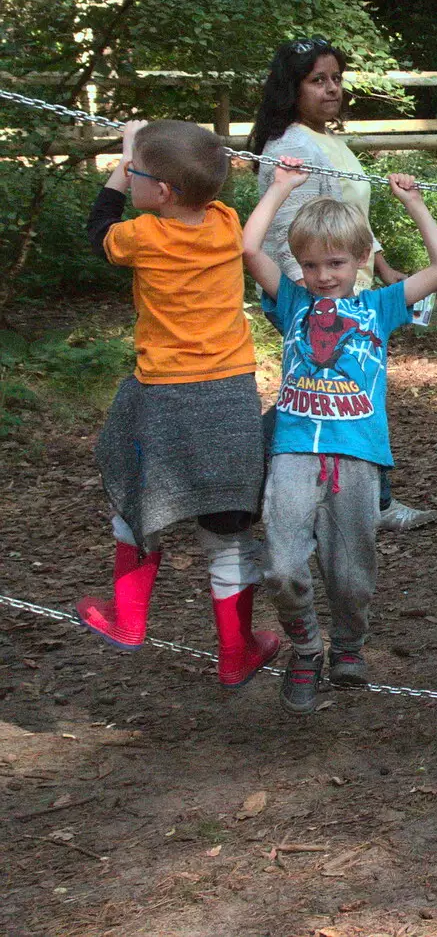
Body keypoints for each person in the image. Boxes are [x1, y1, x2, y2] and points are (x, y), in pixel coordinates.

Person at [242, 158, 437, 713]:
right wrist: (283, 187)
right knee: (282, 567)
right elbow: (247, 250)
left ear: (361, 260)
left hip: (359, 457)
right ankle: (307, 649)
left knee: (352, 575)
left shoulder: (378, 307)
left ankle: (349, 646)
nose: (322, 276)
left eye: (335, 263)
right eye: (310, 265)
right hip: (292, 451)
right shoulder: (292, 303)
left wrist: (413, 202)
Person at [78, 120, 279, 688]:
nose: (129, 175)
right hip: (229, 393)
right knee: (228, 524)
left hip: (164, 393)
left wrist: (123, 158)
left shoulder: (142, 235)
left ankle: (128, 621)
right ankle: (237, 652)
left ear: (161, 191)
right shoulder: (225, 222)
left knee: (137, 507)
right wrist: (141, 157)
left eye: (138, 172)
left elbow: (99, 231)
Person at [250, 37, 437, 532]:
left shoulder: (326, 138)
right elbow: (287, 233)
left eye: (336, 78)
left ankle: (356, 494)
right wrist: (313, 297)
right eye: (318, 81)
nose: (332, 89)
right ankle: (358, 499)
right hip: (311, 292)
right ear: (292, 89)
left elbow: (345, 219)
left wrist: (378, 265)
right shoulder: (291, 146)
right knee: (331, 381)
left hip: (340, 285)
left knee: (334, 383)